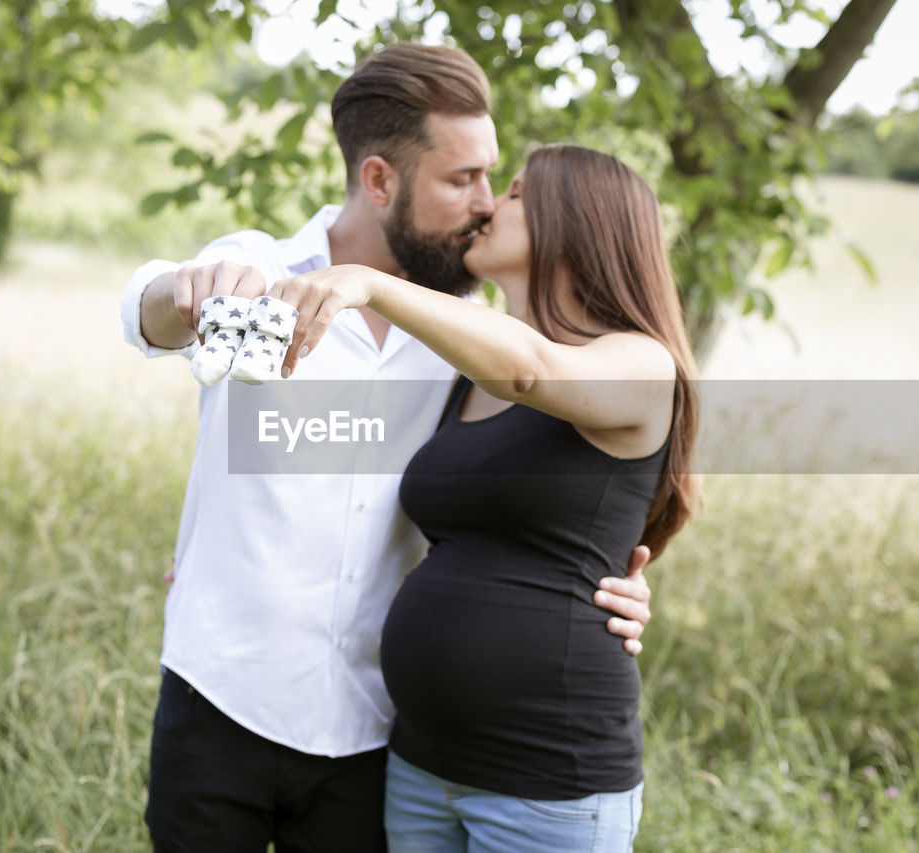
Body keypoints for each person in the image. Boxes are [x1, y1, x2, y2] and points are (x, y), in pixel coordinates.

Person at [120, 44, 655, 852]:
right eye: (461, 179)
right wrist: (183, 291)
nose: (484, 203)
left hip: (372, 731)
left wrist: (607, 579)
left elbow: (570, 468)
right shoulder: (258, 271)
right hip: (224, 694)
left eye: (493, 179)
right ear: (379, 180)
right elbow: (149, 310)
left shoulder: (470, 337)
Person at [265, 143, 699, 851]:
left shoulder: (639, 361)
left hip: (546, 778)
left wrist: (367, 283)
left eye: (519, 192)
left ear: (579, 223)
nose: (489, 204)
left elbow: (531, 372)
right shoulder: (466, 375)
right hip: (420, 765)